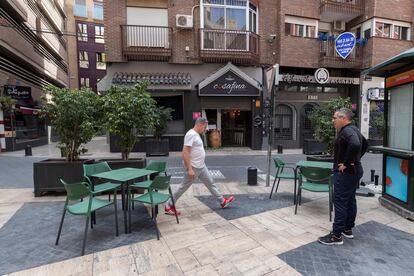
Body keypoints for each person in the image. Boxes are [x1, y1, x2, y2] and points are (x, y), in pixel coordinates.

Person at [164, 117, 235, 215]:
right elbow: (185, 153)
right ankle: (168, 205)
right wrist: (189, 169)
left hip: (201, 166)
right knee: (183, 187)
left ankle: (222, 201)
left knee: (210, 183)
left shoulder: (196, 134)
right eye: (204, 127)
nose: (205, 129)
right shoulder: (191, 134)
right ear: (200, 124)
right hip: (194, 167)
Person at [318, 107, 368, 245]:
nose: (333, 120)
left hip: (346, 173)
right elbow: (365, 145)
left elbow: (356, 144)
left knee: (340, 202)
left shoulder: (347, 131)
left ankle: (336, 236)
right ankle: (347, 229)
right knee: (350, 200)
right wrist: (355, 161)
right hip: (354, 171)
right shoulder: (354, 130)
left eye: (335, 118)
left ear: (343, 118)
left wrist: (346, 163)